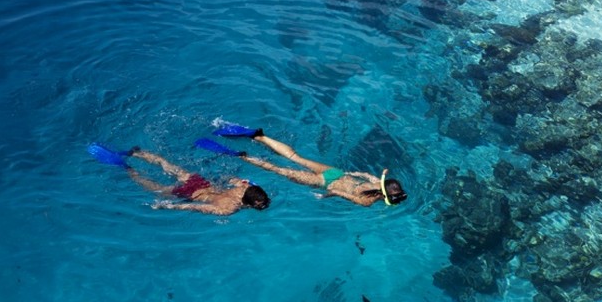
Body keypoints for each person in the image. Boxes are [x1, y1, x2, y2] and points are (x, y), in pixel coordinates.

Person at [206, 123, 408, 207]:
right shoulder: (367, 202)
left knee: (295, 156)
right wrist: (323, 196)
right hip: (324, 182)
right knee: (278, 170)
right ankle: (243, 156)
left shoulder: (376, 182)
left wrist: (350, 172)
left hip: (335, 172)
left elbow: (363, 173)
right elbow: (338, 192)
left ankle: (260, 137)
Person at [88, 143, 270, 216]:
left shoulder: (245, 186)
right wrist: (168, 206)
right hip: (189, 193)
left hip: (200, 182)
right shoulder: (228, 209)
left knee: (166, 164)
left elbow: (231, 179)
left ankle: (136, 153)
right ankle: (126, 168)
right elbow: (195, 207)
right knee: (150, 185)